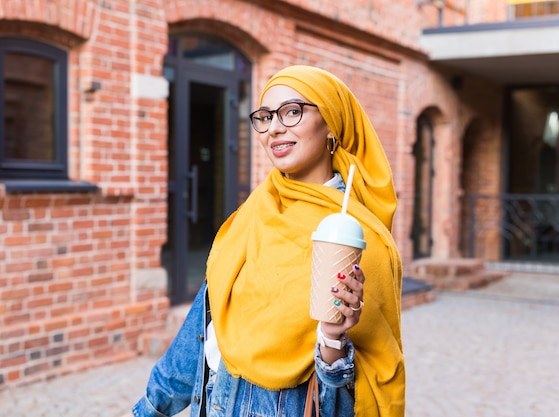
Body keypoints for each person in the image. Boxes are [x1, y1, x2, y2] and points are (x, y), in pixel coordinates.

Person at [132, 65, 405, 417]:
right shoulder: (250, 215)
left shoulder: (361, 239)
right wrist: (148, 409)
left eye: (292, 112)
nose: (274, 127)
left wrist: (333, 341)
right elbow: (204, 325)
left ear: (330, 125)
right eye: (264, 116)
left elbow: (356, 397)